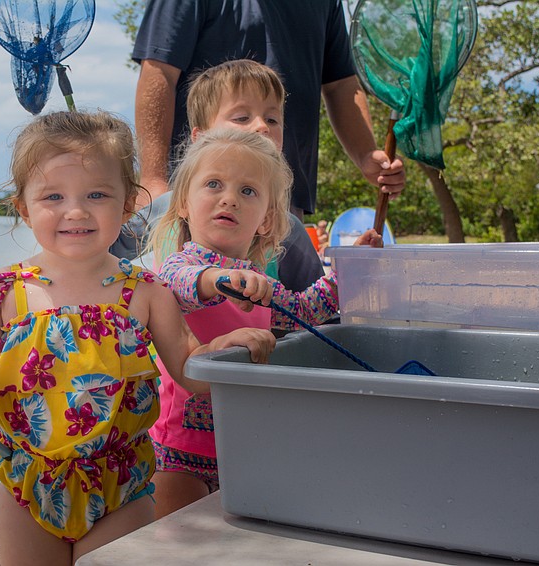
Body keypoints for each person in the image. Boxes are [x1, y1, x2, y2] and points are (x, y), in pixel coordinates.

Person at [0, 111, 276, 566]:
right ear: (24, 207)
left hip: (122, 486)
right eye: (53, 196)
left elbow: (190, 369)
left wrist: (224, 351)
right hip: (27, 486)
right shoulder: (4, 292)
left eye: (97, 194)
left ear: (128, 204)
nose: (75, 210)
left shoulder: (146, 291)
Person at [147, 128, 382, 518]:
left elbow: (304, 310)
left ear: (267, 220)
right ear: (184, 202)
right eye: (214, 184)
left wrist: (348, 271)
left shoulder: (262, 283)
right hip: (179, 451)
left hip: (246, 448)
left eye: (248, 191)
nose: (229, 199)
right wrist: (217, 280)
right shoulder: (179, 265)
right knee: (174, 545)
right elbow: (183, 284)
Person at [131, 0, 405, 220]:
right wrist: (153, 180)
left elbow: (341, 84)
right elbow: (159, 72)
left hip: (282, 201)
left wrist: (366, 154)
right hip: (196, 197)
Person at [113, 59, 327, 292]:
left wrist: (341, 279)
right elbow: (102, 252)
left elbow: (311, 310)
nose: (262, 126)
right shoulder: (165, 208)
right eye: (242, 118)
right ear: (200, 137)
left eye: (272, 119)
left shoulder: (286, 228)